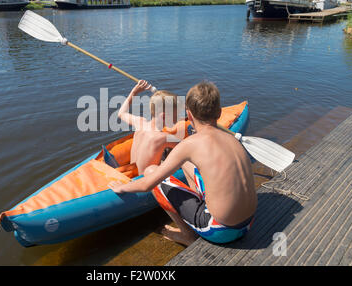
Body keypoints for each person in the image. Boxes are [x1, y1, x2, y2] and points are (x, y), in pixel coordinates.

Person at [109, 81, 257, 246]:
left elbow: (146, 185)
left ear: (190, 115)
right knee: (185, 160)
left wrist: (120, 187)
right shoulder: (233, 139)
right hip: (248, 224)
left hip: (220, 231)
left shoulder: (144, 124)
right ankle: (199, 201)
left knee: (153, 170)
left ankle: (187, 235)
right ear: (220, 112)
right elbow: (181, 145)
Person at [117, 80, 179, 175]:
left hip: (132, 174)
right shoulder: (164, 138)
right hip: (145, 182)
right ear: (164, 116)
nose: (178, 118)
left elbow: (121, 113)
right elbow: (190, 149)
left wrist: (134, 92)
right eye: (176, 115)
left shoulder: (140, 123)